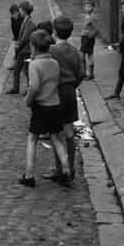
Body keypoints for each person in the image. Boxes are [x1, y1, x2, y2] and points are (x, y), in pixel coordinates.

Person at [18, 30, 72, 188]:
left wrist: (28, 101)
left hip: (41, 107)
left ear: (33, 47)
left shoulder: (35, 64)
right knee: (55, 138)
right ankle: (66, 170)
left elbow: (34, 87)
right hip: (55, 105)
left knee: (32, 138)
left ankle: (29, 175)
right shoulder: (54, 63)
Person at [44, 16, 86, 182]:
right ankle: (71, 166)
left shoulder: (52, 50)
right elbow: (81, 73)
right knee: (69, 131)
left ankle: (60, 168)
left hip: (57, 91)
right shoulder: (74, 50)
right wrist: (73, 85)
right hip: (70, 91)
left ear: (54, 31)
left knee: (54, 131)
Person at [6, 1, 36, 94]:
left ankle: (29, 89)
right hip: (21, 50)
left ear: (24, 11)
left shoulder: (29, 22)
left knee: (27, 71)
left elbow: (26, 36)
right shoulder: (25, 20)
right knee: (16, 69)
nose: (20, 12)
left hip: (26, 50)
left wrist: (19, 44)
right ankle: (15, 88)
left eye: (20, 10)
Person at [80, 0, 99, 80]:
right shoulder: (86, 15)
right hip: (84, 37)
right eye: (86, 6)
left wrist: (89, 36)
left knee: (84, 55)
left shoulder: (93, 17)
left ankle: (89, 74)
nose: (87, 8)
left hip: (88, 38)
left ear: (93, 7)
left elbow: (96, 29)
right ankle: (85, 73)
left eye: (89, 6)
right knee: (84, 56)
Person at [8, 4, 23, 70]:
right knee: (17, 50)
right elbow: (14, 29)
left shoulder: (22, 19)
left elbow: (23, 29)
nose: (13, 15)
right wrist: (16, 38)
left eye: (14, 13)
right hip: (17, 37)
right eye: (12, 14)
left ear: (18, 12)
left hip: (23, 37)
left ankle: (18, 65)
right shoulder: (12, 19)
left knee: (20, 51)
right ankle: (15, 64)